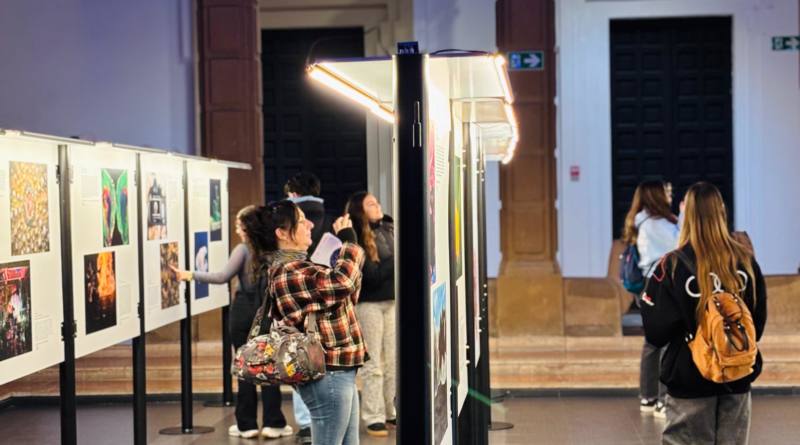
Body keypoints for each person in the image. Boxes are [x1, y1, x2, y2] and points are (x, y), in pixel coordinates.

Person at [641, 182, 767, 445]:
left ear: (688, 215)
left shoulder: (672, 266)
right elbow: (757, 322)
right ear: (722, 212)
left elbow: (655, 332)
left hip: (690, 378)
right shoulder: (745, 262)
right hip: (737, 374)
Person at [249, 200, 366, 445]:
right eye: (302, 221)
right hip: (328, 371)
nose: (310, 225)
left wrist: (347, 251)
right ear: (282, 233)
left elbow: (346, 294)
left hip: (338, 368)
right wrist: (349, 242)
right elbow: (343, 282)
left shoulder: (303, 266)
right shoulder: (288, 271)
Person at [173, 206, 292, 439]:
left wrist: (189, 275)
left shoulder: (243, 250)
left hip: (241, 314)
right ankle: (273, 423)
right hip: (268, 314)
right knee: (270, 367)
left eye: (239, 225)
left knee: (244, 367)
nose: (237, 229)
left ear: (248, 228)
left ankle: (246, 425)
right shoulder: (276, 250)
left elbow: (221, 277)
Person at [621, 181, 679, 418]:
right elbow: (681, 243)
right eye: (666, 192)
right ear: (657, 196)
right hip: (661, 284)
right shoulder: (658, 224)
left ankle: (648, 396)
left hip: (647, 284)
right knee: (666, 340)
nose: (670, 195)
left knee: (652, 340)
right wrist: (684, 217)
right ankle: (663, 401)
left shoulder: (639, 220)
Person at [345, 191, 396, 437]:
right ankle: (373, 415)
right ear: (360, 210)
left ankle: (391, 410)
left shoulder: (388, 229)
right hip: (369, 304)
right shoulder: (356, 237)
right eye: (371, 204)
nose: (378, 206)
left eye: (377, 202)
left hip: (392, 302)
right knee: (373, 362)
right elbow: (371, 276)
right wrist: (397, 260)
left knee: (393, 361)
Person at [284, 172, 328, 444]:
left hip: (296, 294)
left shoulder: (288, 217)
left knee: (297, 355)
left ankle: (305, 422)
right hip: (323, 293)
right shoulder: (327, 216)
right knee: (321, 357)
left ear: (294, 192)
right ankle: (322, 415)